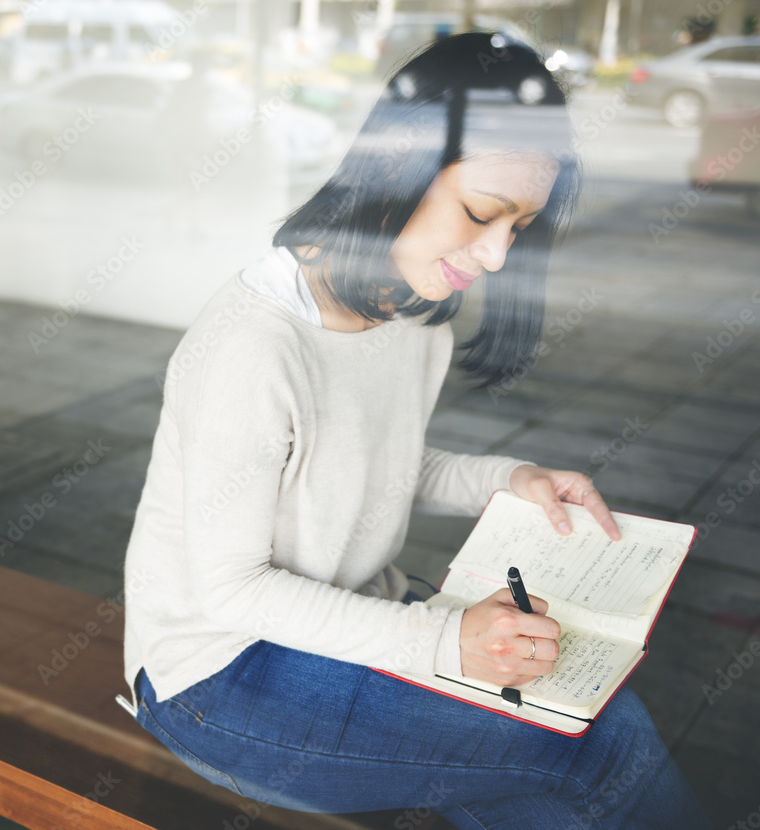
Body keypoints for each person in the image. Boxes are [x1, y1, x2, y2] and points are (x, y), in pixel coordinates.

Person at [122, 32, 711, 829]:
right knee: (600, 741)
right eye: (480, 213)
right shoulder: (250, 346)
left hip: (342, 621)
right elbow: (230, 588)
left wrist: (508, 479)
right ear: (398, 168)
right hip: (219, 676)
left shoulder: (409, 313)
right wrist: (445, 642)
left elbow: (375, 461)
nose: (499, 255)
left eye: (519, 226)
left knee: (548, 750)